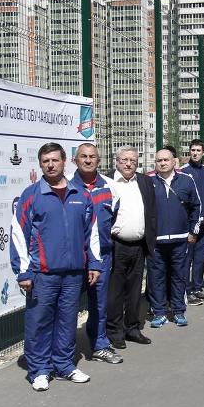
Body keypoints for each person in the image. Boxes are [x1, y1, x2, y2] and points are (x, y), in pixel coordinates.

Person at [10, 142, 101, 391]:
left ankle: (64, 365)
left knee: (67, 322)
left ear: (64, 162)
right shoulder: (31, 195)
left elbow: (91, 232)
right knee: (39, 322)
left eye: (55, 160)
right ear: (41, 164)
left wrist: (94, 262)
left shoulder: (81, 195)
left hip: (73, 274)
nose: (50, 165)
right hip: (43, 274)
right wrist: (23, 272)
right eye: (45, 161)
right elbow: (18, 235)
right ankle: (39, 370)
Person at [68, 143, 122, 364]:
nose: (88, 160)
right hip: (74, 257)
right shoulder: (66, 186)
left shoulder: (111, 187)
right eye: (83, 156)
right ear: (75, 160)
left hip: (102, 256)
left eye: (92, 157)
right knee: (68, 305)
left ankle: (99, 345)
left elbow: (113, 217)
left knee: (99, 303)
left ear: (99, 161)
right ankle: (65, 351)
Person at [106, 146, 156, 349]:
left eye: (133, 161)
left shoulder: (144, 181)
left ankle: (132, 328)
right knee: (115, 292)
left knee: (135, 290)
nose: (128, 164)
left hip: (139, 245)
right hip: (116, 245)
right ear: (117, 161)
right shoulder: (107, 181)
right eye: (124, 160)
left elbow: (152, 211)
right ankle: (114, 331)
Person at [148, 146, 201, 328]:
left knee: (179, 276)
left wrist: (193, 231)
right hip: (156, 241)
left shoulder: (186, 180)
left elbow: (196, 206)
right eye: (159, 160)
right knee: (156, 278)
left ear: (173, 162)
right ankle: (159, 312)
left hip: (180, 240)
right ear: (155, 163)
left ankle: (178, 311)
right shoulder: (148, 182)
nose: (163, 163)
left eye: (166, 160)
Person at [180, 140, 204, 305]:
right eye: (192, 150)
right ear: (189, 152)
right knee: (188, 257)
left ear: (203, 153)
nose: (195, 153)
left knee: (200, 257)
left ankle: (197, 287)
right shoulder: (184, 172)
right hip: (191, 223)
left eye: (198, 150)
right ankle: (186, 290)